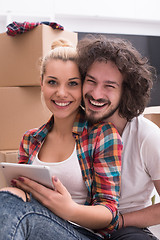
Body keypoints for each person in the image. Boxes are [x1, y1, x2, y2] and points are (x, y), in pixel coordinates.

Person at [0, 39, 122, 240]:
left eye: (72, 84)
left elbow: (109, 213)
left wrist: (68, 209)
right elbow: (22, 197)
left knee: (21, 213)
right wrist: (13, 193)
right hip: (33, 227)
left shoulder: (102, 135)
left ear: (83, 87)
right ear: (41, 84)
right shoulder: (30, 139)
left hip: (82, 234)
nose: (61, 93)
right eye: (52, 82)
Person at [77, 35, 160, 240]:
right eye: (91, 81)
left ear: (126, 92)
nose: (96, 94)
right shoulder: (71, 126)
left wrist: (116, 221)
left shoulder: (147, 136)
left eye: (109, 86)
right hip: (74, 226)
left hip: (124, 228)